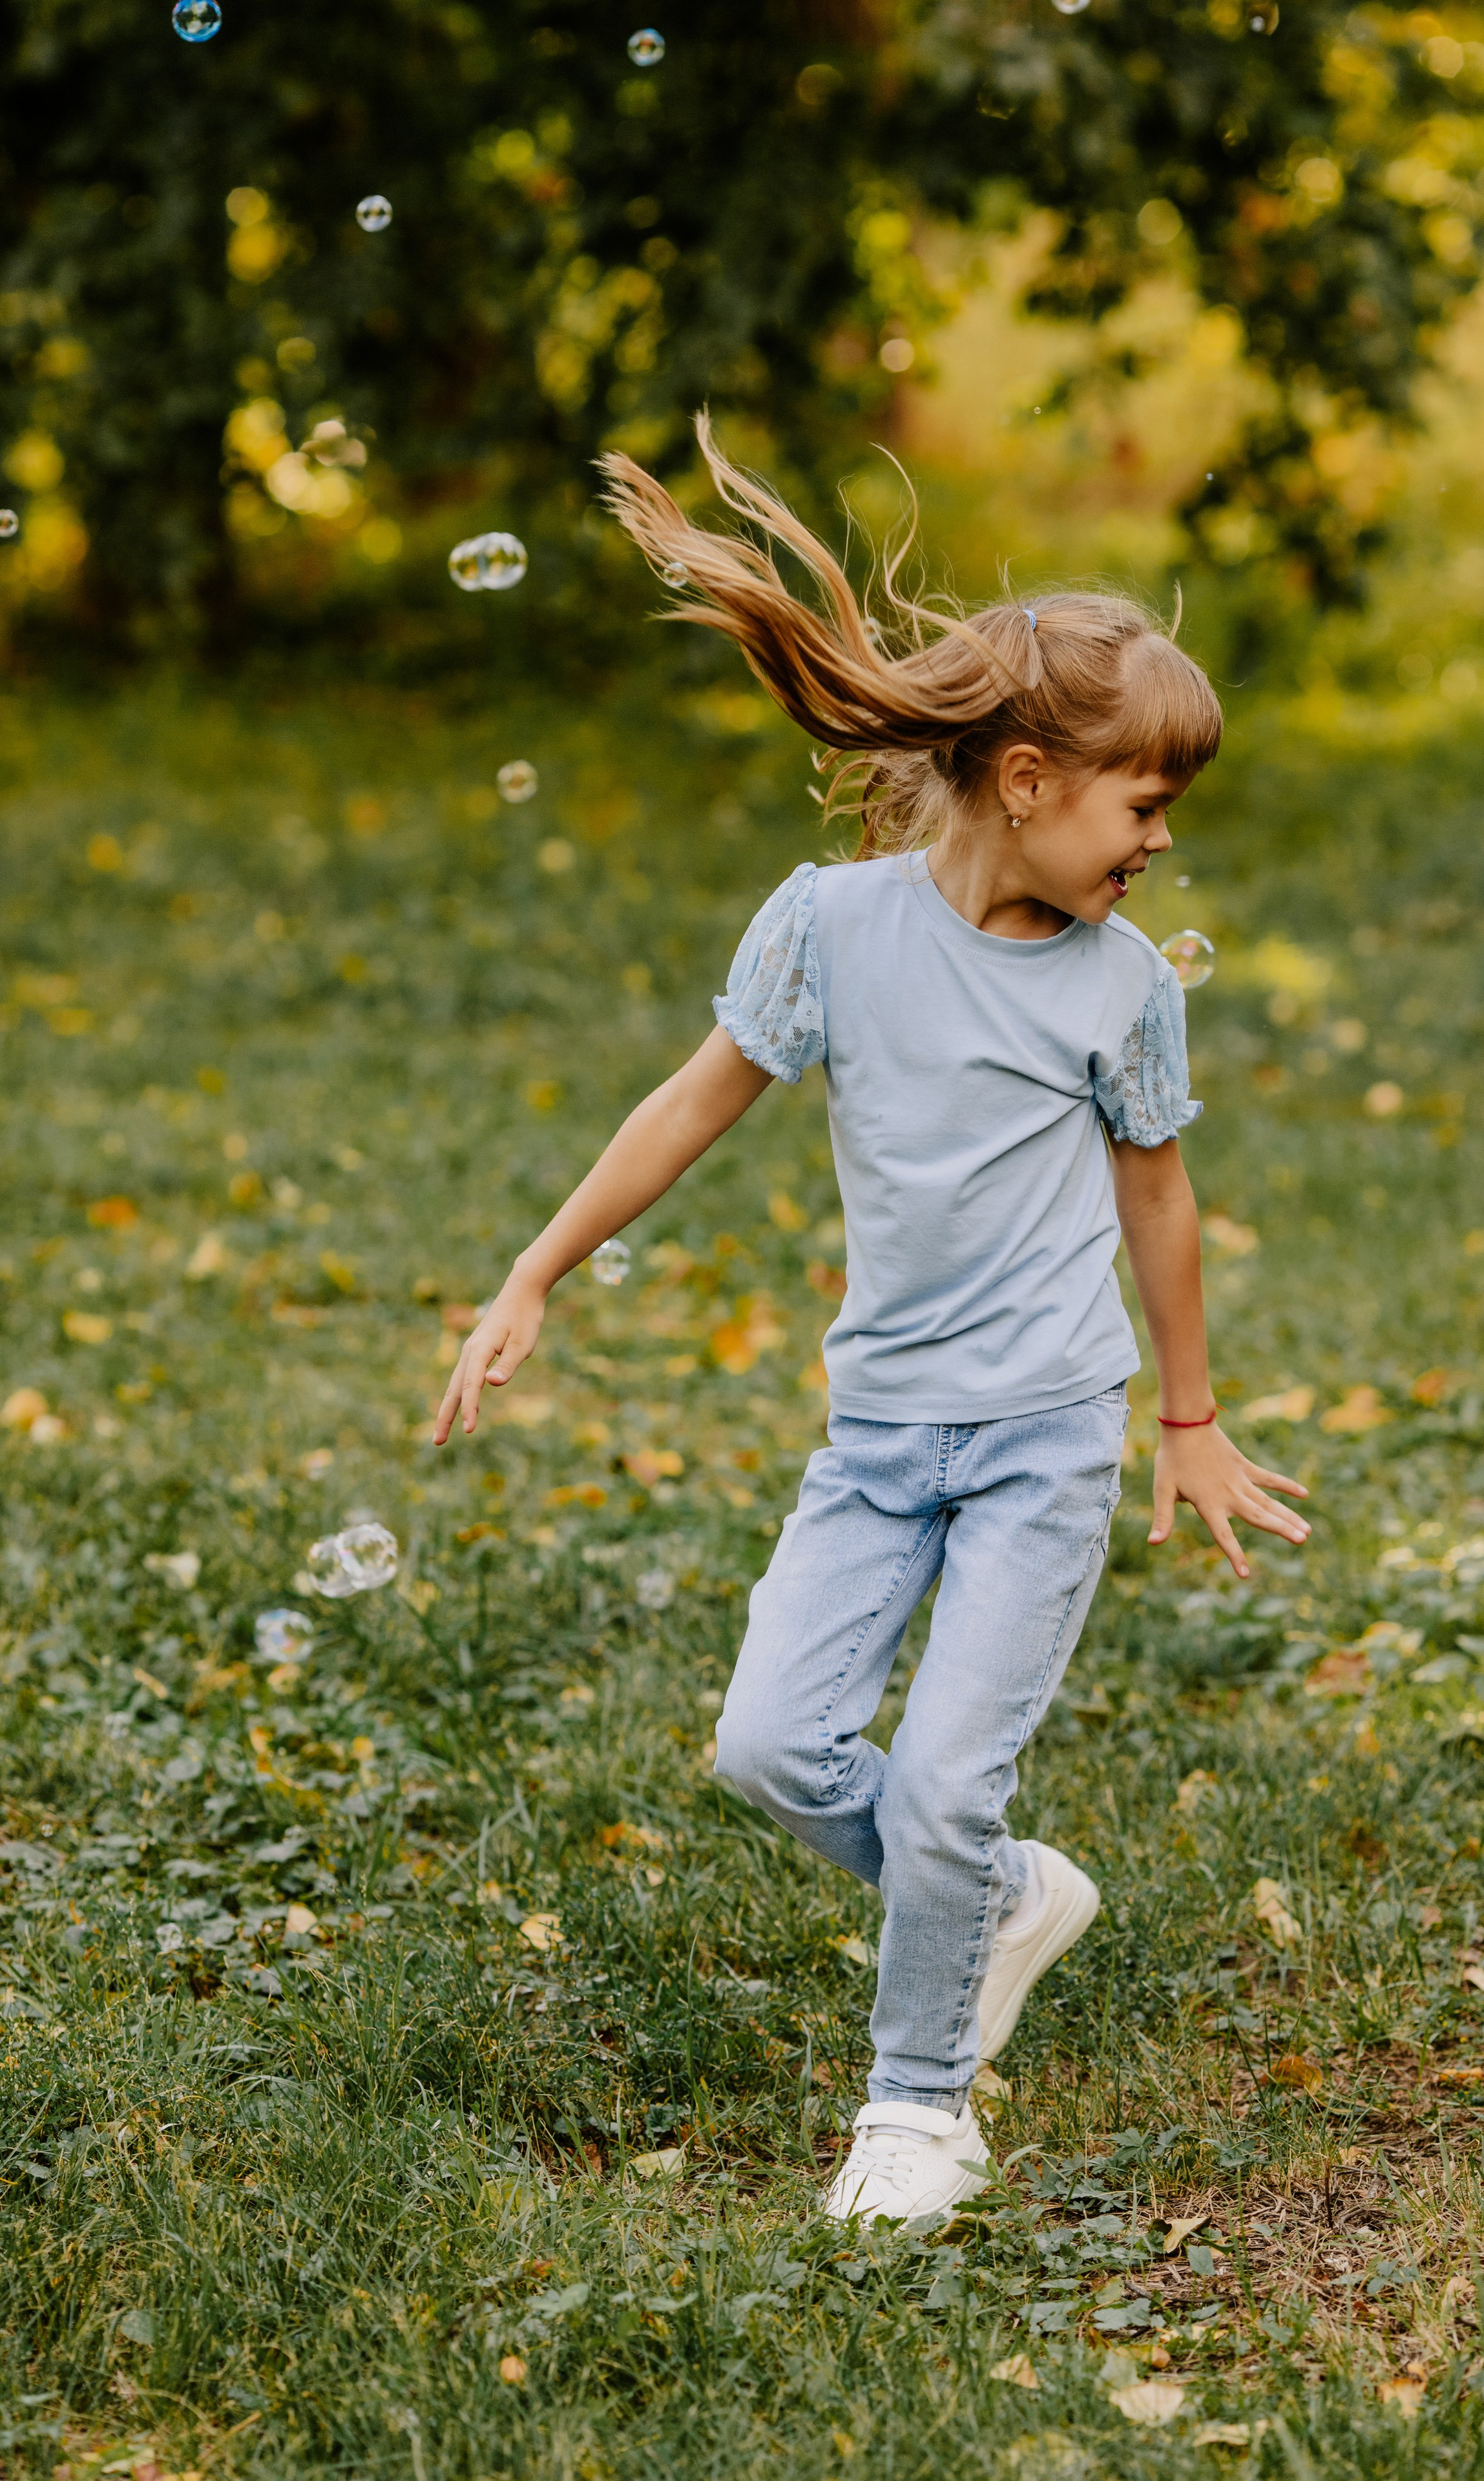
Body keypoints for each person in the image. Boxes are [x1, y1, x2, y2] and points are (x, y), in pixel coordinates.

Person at [434, 415, 1311, 2225]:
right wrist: (534, 1269)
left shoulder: (1124, 985)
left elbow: (1160, 1197)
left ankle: (918, 2111)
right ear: (1020, 780)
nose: (1159, 839)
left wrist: (1191, 1416)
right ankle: (988, 1892)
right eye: (1141, 801)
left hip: (1047, 1437)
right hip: (880, 1437)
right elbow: (690, 1102)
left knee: (943, 1779)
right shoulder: (829, 928)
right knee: (772, 1747)